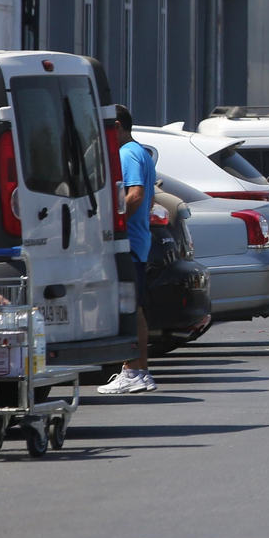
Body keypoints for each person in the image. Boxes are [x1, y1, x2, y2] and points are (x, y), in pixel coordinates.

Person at [98, 105, 158, 395]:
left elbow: (136, 194)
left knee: (129, 309)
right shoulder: (142, 153)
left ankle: (133, 371)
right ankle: (139, 371)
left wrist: (116, 225)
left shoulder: (128, 153)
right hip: (138, 241)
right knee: (136, 307)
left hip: (130, 243)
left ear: (117, 125)